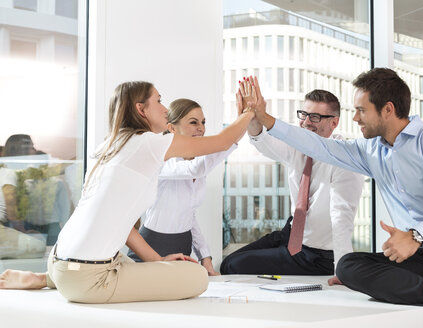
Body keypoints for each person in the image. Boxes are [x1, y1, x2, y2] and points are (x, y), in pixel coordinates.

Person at [248, 70, 423, 328]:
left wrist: (416, 235)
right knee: (348, 266)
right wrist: (265, 119)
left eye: (361, 110)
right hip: (415, 255)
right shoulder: (369, 150)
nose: (354, 118)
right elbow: (318, 145)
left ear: (387, 109)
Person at [0, 80, 255, 304]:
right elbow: (219, 143)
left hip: (59, 263)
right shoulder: (148, 143)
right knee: (197, 278)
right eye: (159, 100)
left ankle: (46, 279)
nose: (165, 109)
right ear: (140, 109)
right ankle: (55, 281)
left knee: (131, 263)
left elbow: (125, 227)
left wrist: (158, 260)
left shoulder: (109, 146)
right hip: (89, 280)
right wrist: (249, 113)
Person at [220, 86, 364, 276]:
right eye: (303, 115)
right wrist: (253, 119)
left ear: (334, 123)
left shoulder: (344, 160)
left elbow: (342, 218)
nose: (306, 122)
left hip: (317, 254)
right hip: (291, 234)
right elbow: (264, 142)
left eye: (315, 117)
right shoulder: (298, 147)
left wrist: (342, 270)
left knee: (233, 266)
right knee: (227, 262)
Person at [128, 98, 237, 275]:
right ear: (171, 128)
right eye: (193, 122)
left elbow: (189, 215)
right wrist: (235, 131)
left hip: (182, 246)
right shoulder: (162, 161)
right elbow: (195, 169)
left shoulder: (199, 167)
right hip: (152, 245)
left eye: (203, 122)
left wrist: (205, 256)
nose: (200, 128)